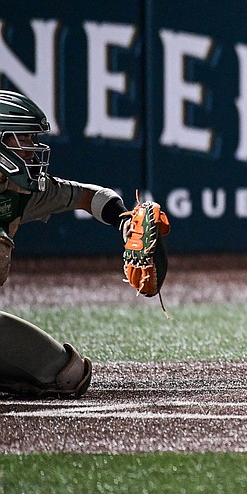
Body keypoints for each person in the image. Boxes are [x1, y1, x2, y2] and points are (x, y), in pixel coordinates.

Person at [0, 91, 141, 400]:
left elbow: (86, 196)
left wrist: (124, 221)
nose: (32, 150)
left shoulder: (18, 192)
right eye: (23, 138)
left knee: (67, 374)